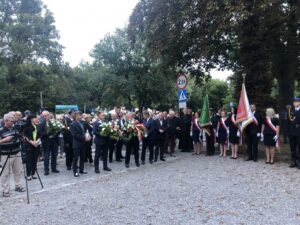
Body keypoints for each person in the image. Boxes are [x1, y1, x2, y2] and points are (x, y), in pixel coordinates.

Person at [0, 113, 25, 197]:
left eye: (13, 121)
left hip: (17, 152)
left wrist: (22, 138)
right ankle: (5, 190)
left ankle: (18, 186)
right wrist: (5, 140)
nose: (13, 123)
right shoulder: (1, 130)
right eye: (11, 121)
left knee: (18, 171)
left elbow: (20, 137)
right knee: (5, 173)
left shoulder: (15, 128)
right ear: (5, 121)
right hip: (6, 154)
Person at [70, 111, 91, 177]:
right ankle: (75, 171)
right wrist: (84, 138)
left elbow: (85, 131)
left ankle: (81, 170)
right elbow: (75, 135)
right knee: (75, 158)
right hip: (77, 144)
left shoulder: (82, 122)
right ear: (76, 116)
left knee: (82, 157)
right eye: (80, 115)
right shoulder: (72, 124)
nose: (81, 116)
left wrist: (88, 136)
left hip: (83, 143)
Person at [39, 111, 60, 175]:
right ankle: (46, 170)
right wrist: (48, 133)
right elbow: (40, 133)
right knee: (46, 156)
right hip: (46, 142)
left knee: (54, 155)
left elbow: (58, 130)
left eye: (46, 115)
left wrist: (55, 133)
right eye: (44, 116)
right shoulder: (41, 124)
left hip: (54, 141)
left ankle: (54, 168)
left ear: (49, 115)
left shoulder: (53, 122)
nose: (45, 117)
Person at [23, 114, 41, 180]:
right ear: (31, 119)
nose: (36, 119)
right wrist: (31, 142)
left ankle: (33, 173)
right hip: (29, 145)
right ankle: (28, 174)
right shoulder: (26, 126)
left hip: (36, 145)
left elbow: (40, 135)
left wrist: (37, 141)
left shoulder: (37, 126)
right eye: (35, 118)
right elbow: (24, 135)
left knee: (34, 159)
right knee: (29, 160)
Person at [287, 97, 300, 168]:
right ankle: (293, 161)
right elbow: (288, 122)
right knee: (292, 147)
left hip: (299, 132)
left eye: (297, 102)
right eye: (294, 102)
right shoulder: (290, 111)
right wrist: (288, 132)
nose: (295, 103)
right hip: (292, 132)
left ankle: (298, 162)